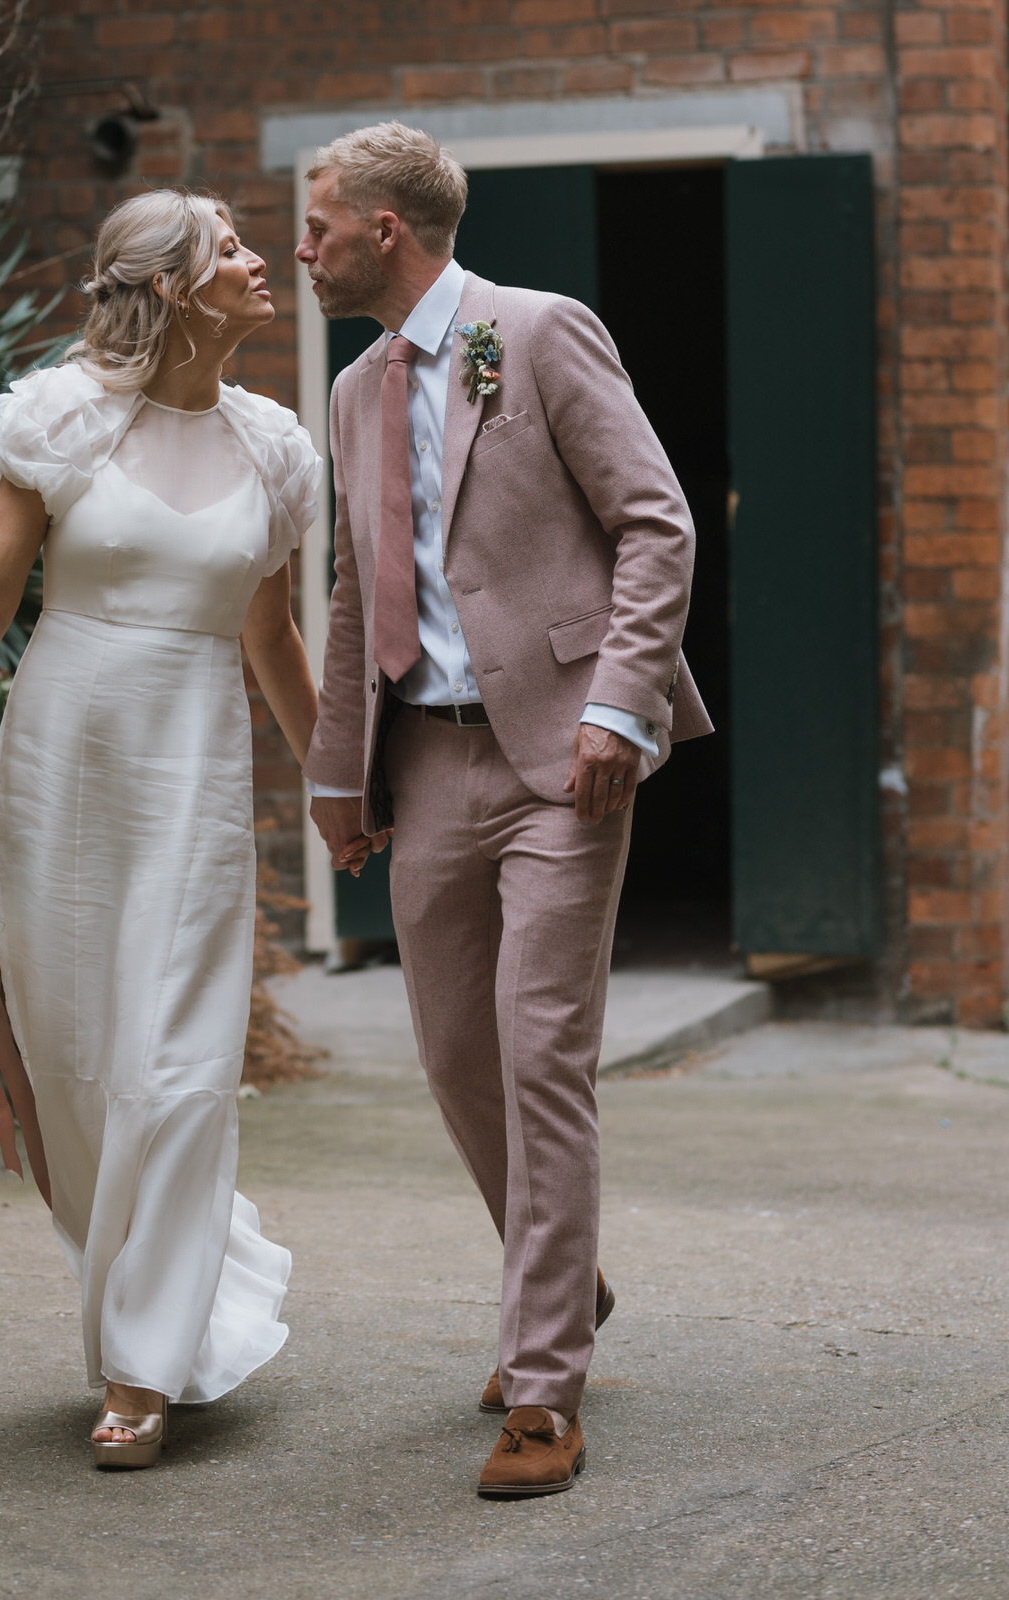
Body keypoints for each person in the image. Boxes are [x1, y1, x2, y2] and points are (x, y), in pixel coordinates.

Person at [299, 122, 710, 1499]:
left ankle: (544, 1389)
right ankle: (568, 1286)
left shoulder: (537, 335)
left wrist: (619, 708)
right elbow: (361, 597)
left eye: (318, 225)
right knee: (455, 1061)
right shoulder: (353, 395)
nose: (300, 248)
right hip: (426, 764)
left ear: (386, 233)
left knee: (541, 1056)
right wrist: (337, 779)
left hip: (561, 759)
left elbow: (657, 522)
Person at [0, 190, 322, 1469]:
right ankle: (163, 1281)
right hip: (65, 760)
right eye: (231, 250)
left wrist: (339, 786)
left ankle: (143, 1365)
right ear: (172, 286)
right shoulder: (60, 418)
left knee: (180, 1058)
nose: (259, 263)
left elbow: (272, 638)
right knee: (76, 1057)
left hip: (194, 762)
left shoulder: (275, 450)